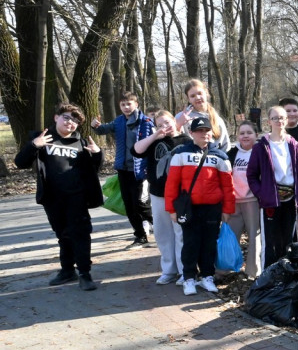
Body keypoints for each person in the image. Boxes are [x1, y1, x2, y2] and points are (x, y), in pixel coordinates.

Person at [14, 103, 104, 291]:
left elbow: (93, 170)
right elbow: (20, 163)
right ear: (56, 118)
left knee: (80, 234)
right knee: (63, 235)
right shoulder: (42, 139)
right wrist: (33, 146)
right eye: (67, 118)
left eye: (76, 121)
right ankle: (67, 270)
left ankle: (85, 274)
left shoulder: (80, 143)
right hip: (52, 199)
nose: (71, 123)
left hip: (77, 198)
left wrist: (97, 155)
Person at [164, 117, 235, 296]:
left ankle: (207, 277)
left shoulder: (220, 156)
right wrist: (171, 209)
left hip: (213, 208)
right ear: (192, 133)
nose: (204, 134)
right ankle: (189, 278)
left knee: (209, 244)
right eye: (200, 131)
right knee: (190, 243)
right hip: (190, 209)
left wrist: (227, 209)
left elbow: (228, 186)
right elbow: (172, 184)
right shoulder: (179, 154)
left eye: (207, 130)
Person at [247, 105, 298, 267]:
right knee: (270, 242)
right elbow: (251, 175)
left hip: (291, 200)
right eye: (275, 118)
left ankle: (287, 274)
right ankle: (269, 277)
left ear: (286, 120)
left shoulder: (295, 146)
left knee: (289, 240)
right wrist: (262, 193)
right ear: (269, 122)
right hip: (270, 200)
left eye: (282, 117)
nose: (279, 121)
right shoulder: (261, 147)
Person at [132, 110, 189, 285]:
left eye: (167, 122)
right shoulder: (154, 142)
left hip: (181, 195)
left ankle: (183, 271)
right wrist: (155, 135)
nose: (165, 127)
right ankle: (169, 270)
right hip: (158, 193)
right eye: (160, 124)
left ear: (175, 120)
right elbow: (136, 151)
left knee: (181, 232)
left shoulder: (187, 141)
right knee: (163, 232)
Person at [91, 91, 153, 248]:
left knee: (140, 203)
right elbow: (103, 129)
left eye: (129, 103)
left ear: (136, 104)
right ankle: (140, 235)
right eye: (123, 104)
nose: (126, 107)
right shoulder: (118, 121)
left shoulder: (145, 121)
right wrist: (95, 126)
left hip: (139, 170)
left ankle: (162, 227)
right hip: (123, 169)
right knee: (129, 205)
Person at [226, 121, 263, 278]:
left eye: (249, 132)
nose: (245, 136)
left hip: (253, 201)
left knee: (254, 237)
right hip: (234, 201)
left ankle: (252, 272)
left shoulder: (261, 152)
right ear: (237, 136)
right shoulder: (231, 154)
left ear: (256, 135)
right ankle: (225, 270)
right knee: (231, 236)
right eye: (242, 133)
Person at [174, 79, 231, 152]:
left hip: (213, 160)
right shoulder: (181, 117)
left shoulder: (216, 118)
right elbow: (174, 142)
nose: (197, 97)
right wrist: (178, 125)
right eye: (192, 96)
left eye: (200, 93)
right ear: (188, 99)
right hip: (188, 159)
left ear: (206, 93)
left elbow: (225, 146)